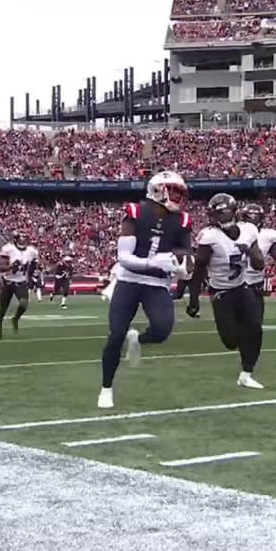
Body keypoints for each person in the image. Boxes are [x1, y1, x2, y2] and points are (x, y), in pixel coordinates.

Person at [97, 170, 192, 409]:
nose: (179, 197)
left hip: (157, 283)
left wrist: (181, 266)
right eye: (175, 191)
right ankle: (106, 388)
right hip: (129, 280)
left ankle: (138, 338)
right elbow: (124, 258)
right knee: (116, 334)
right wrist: (154, 262)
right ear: (158, 190)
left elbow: (187, 253)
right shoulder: (135, 213)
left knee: (162, 330)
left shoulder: (182, 220)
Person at [186, 192, 266, 390]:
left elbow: (259, 264)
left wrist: (248, 250)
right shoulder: (209, 236)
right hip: (221, 291)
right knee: (230, 341)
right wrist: (193, 298)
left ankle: (246, 373)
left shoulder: (249, 231)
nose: (215, 219)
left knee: (254, 328)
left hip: (242, 287)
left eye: (220, 214)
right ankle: (243, 349)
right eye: (213, 214)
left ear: (234, 212)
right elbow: (199, 269)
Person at [239, 202, 276, 321]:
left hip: (238, 285)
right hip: (249, 285)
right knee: (252, 328)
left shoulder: (233, 232)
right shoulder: (268, 235)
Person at [0, 232, 38, 339]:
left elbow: (33, 265)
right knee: (3, 309)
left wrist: (32, 276)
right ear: (15, 239)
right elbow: (1, 268)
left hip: (21, 281)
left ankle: (15, 318)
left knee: (24, 303)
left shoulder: (32, 251)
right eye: (21, 237)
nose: (23, 239)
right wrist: (11, 267)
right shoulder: (8, 249)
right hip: (8, 282)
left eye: (24, 237)